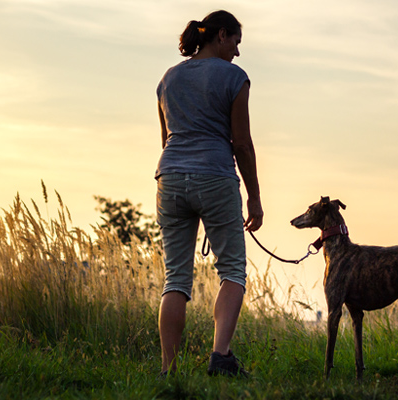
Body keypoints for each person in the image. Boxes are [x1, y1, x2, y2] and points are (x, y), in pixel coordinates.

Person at [155, 10, 263, 377]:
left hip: (169, 177)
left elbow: (166, 139)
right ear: (221, 35)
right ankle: (220, 357)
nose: (236, 51)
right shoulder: (234, 77)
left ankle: (169, 371)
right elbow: (242, 144)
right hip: (215, 175)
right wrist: (255, 198)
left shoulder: (168, 79)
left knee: (176, 279)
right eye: (235, 42)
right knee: (232, 270)